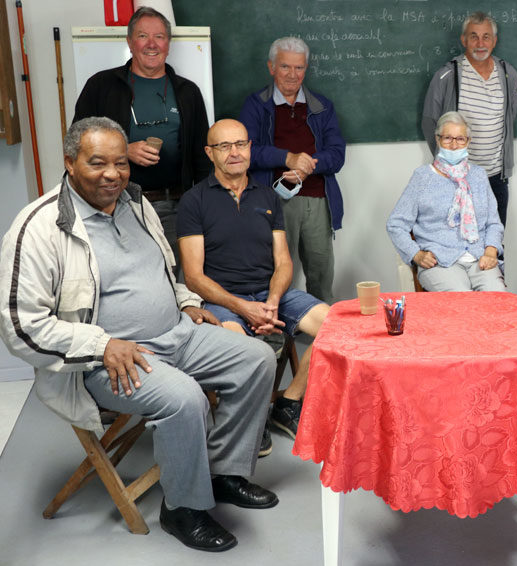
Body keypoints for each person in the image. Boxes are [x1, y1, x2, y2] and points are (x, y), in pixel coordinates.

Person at [0, 118, 278, 552]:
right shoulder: (38, 227)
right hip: (107, 360)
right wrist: (101, 344)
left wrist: (186, 301)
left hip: (178, 334)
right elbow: (20, 327)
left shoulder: (136, 203)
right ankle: (182, 509)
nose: (113, 174)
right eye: (97, 163)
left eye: (120, 162)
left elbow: (165, 273)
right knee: (184, 399)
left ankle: (223, 473)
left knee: (257, 359)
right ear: (70, 163)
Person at [177, 119, 329, 453]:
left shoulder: (267, 195)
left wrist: (273, 301)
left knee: (337, 330)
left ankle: (288, 404)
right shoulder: (194, 201)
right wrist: (243, 308)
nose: (234, 153)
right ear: (209, 153)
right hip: (221, 300)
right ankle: (252, 418)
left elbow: (284, 261)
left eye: (241, 144)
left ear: (250, 148)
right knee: (247, 353)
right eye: (224, 146)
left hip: (270, 294)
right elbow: (194, 276)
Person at [72, 7, 211, 268]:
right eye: (142, 36)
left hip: (174, 207)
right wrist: (122, 152)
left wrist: (204, 208)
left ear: (168, 44)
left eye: (159, 37)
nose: (151, 44)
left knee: (171, 278)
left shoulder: (188, 92)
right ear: (129, 41)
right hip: (115, 205)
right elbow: (77, 144)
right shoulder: (101, 86)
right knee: (120, 277)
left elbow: (202, 158)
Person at [240, 36, 347, 302]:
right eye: (285, 67)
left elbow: (337, 155)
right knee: (275, 275)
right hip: (271, 201)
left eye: (299, 68)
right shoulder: (255, 105)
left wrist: (307, 166)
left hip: (316, 201)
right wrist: (287, 158)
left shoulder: (322, 107)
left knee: (322, 274)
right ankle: (278, 338)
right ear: (271, 67)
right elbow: (246, 152)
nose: (292, 74)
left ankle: (320, 335)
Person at [387, 111, 505, 292]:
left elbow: (493, 223)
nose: (454, 145)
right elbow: (396, 224)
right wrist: (416, 255)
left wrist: (490, 251)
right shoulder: (422, 177)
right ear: (437, 139)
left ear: (468, 142)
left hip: (479, 258)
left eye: (460, 139)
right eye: (448, 138)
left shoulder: (479, 176)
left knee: (497, 298)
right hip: (441, 262)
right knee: (461, 302)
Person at [422, 11, 517, 226]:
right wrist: (447, 161)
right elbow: (430, 121)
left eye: (486, 36)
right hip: (456, 178)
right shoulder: (447, 75)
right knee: (456, 243)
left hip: (496, 178)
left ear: (494, 41)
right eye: (473, 36)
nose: (480, 43)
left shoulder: (507, 74)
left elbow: (509, 115)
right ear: (463, 40)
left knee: (494, 246)